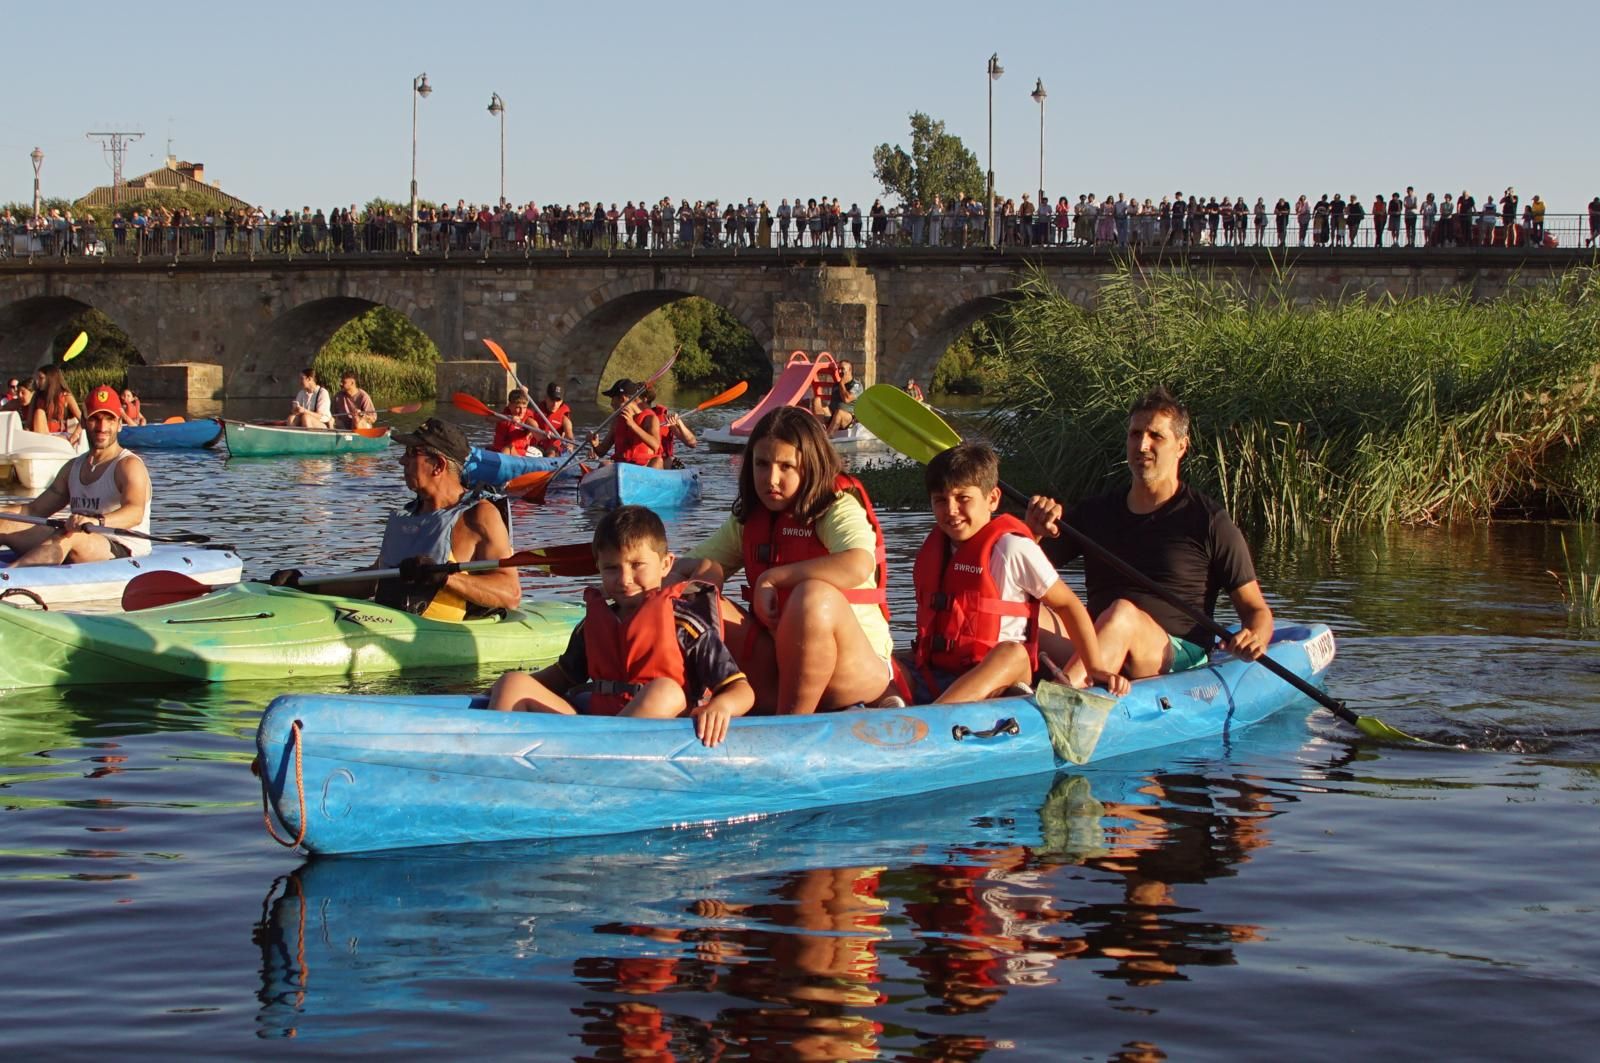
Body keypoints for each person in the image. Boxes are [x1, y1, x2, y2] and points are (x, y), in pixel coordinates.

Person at [670, 406, 902, 715]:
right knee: (685, 596)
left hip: (852, 672)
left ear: (810, 466)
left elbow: (859, 563)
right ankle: (671, 700)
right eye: (762, 465)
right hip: (780, 665)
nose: (771, 479)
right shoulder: (752, 518)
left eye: (786, 466)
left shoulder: (837, 506)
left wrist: (774, 578)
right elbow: (690, 562)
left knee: (812, 596)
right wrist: (639, 576)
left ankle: (790, 724)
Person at [1049, 387, 1273, 685]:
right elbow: (1029, 568)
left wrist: (1255, 636)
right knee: (1029, 610)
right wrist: (1036, 530)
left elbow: (1255, 609)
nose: (1142, 445)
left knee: (1122, 614)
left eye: (1156, 436)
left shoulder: (1209, 521)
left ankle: (1062, 698)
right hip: (1099, 640)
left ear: (1181, 446)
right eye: (1135, 434)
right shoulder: (1094, 512)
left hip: (1176, 651)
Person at [487, 506, 754, 747]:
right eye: (612, 568)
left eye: (637, 565)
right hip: (593, 730)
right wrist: (493, 692)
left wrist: (722, 706)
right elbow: (563, 676)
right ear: (599, 568)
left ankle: (597, 755)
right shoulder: (593, 623)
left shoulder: (686, 623)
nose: (625, 579)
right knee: (512, 683)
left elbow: (742, 691)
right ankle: (492, 767)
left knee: (666, 691)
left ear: (665, 565)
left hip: (666, 732)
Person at [908, 443, 1129, 705]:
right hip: (938, 673)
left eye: (963, 498)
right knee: (885, 659)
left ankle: (932, 720)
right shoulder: (936, 549)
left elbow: (1068, 604)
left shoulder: (1012, 547)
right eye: (941, 500)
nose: (951, 510)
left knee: (1012, 653)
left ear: (992, 499)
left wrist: (1094, 667)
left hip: (1004, 673)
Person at [268, 418, 520, 619]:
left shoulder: (480, 515)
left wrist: (445, 578)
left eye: (412, 453)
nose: (402, 460)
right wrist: (305, 584)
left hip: (442, 645)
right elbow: (373, 580)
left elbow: (510, 593)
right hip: (393, 626)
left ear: (438, 465)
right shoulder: (408, 516)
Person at [0, 386, 150, 566]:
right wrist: (3, 512)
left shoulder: (128, 465)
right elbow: (34, 510)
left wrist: (96, 521)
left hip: (123, 547)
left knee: (71, 535)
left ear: (119, 424)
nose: (102, 427)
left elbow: (135, 513)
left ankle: (9, 579)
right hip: (79, 539)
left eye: (110, 419)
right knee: (4, 523)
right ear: (84, 421)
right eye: (95, 419)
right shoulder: (72, 467)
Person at [589, 379, 661, 466]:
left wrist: (633, 425)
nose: (611, 404)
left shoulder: (650, 419)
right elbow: (602, 451)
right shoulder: (617, 421)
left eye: (612, 399)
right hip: (622, 466)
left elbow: (656, 445)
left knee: (657, 461)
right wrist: (595, 444)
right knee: (604, 464)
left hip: (643, 467)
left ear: (622, 398)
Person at [637, 385, 697, 470]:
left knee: (668, 460)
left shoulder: (664, 418)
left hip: (662, 462)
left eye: (632, 398)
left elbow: (692, 443)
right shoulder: (628, 418)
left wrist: (679, 424)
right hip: (639, 462)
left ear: (644, 399)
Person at [27, 365, 82, 443]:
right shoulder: (36, 396)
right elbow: (28, 424)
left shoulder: (65, 396)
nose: (37, 381)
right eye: (37, 378)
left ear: (51, 379)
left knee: (39, 412)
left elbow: (83, 419)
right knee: (39, 413)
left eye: (41, 378)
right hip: (40, 437)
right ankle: (42, 444)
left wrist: (75, 434)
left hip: (60, 437)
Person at [811, 358, 862, 433]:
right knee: (816, 400)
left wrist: (842, 383)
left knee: (839, 412)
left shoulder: (856, 385)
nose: (839, 371)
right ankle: (820, 430)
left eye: (842, 369)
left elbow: (846, 399)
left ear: (850, 370)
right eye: (838, 369)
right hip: (833, 414)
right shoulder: (836, 385)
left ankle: (828, 437)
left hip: (848, 418)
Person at [490, 388, 538, 456]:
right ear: (510, 406)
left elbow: (536, 429)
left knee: (508, 447)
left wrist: (545, 434)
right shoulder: (505, 413)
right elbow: (488, 418)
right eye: (518, 407)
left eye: (524, 407)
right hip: (498, 450)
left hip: (517, 453)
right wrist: (508, 418)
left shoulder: (528, 418)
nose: (522, 412)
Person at [535, 383, 575, 457]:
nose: (555, 404)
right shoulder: (537, 410)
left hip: (553, 448)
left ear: (562, 401)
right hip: (536, 446)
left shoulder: (564, 418)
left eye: (558, 400)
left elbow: (569, 434)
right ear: (546, 397)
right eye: (552, 400)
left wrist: (570, 444)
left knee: (551, 453)